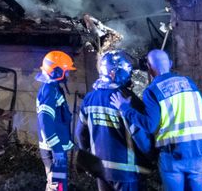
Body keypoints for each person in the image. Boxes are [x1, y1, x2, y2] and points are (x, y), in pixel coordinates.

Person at [112, 49, 202, 191]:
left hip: (173, 156)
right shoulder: (190, 84)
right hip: (199, 153)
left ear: (148, 67)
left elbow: (150, 125)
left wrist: (124, 108)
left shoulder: (153, 90)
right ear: (170, 64)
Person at [75, 50, 154, 191]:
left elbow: (80, 133)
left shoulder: (89, 98)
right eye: (126, 71)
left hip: (101, 169)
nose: (129, 75)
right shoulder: (127, 99)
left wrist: (88, 159)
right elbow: (140, 135)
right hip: (126, 171)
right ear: (114, 73)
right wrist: (151, 156)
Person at [37, 50, 77, 191]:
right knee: (58, 187)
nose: (67, 74)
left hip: (56, 149)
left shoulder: (52, 88)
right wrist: (57, 149)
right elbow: (45, 122)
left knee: (57, 186)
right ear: (56, 71)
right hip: (54, 151)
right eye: (66, 71)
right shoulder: (49, 90)